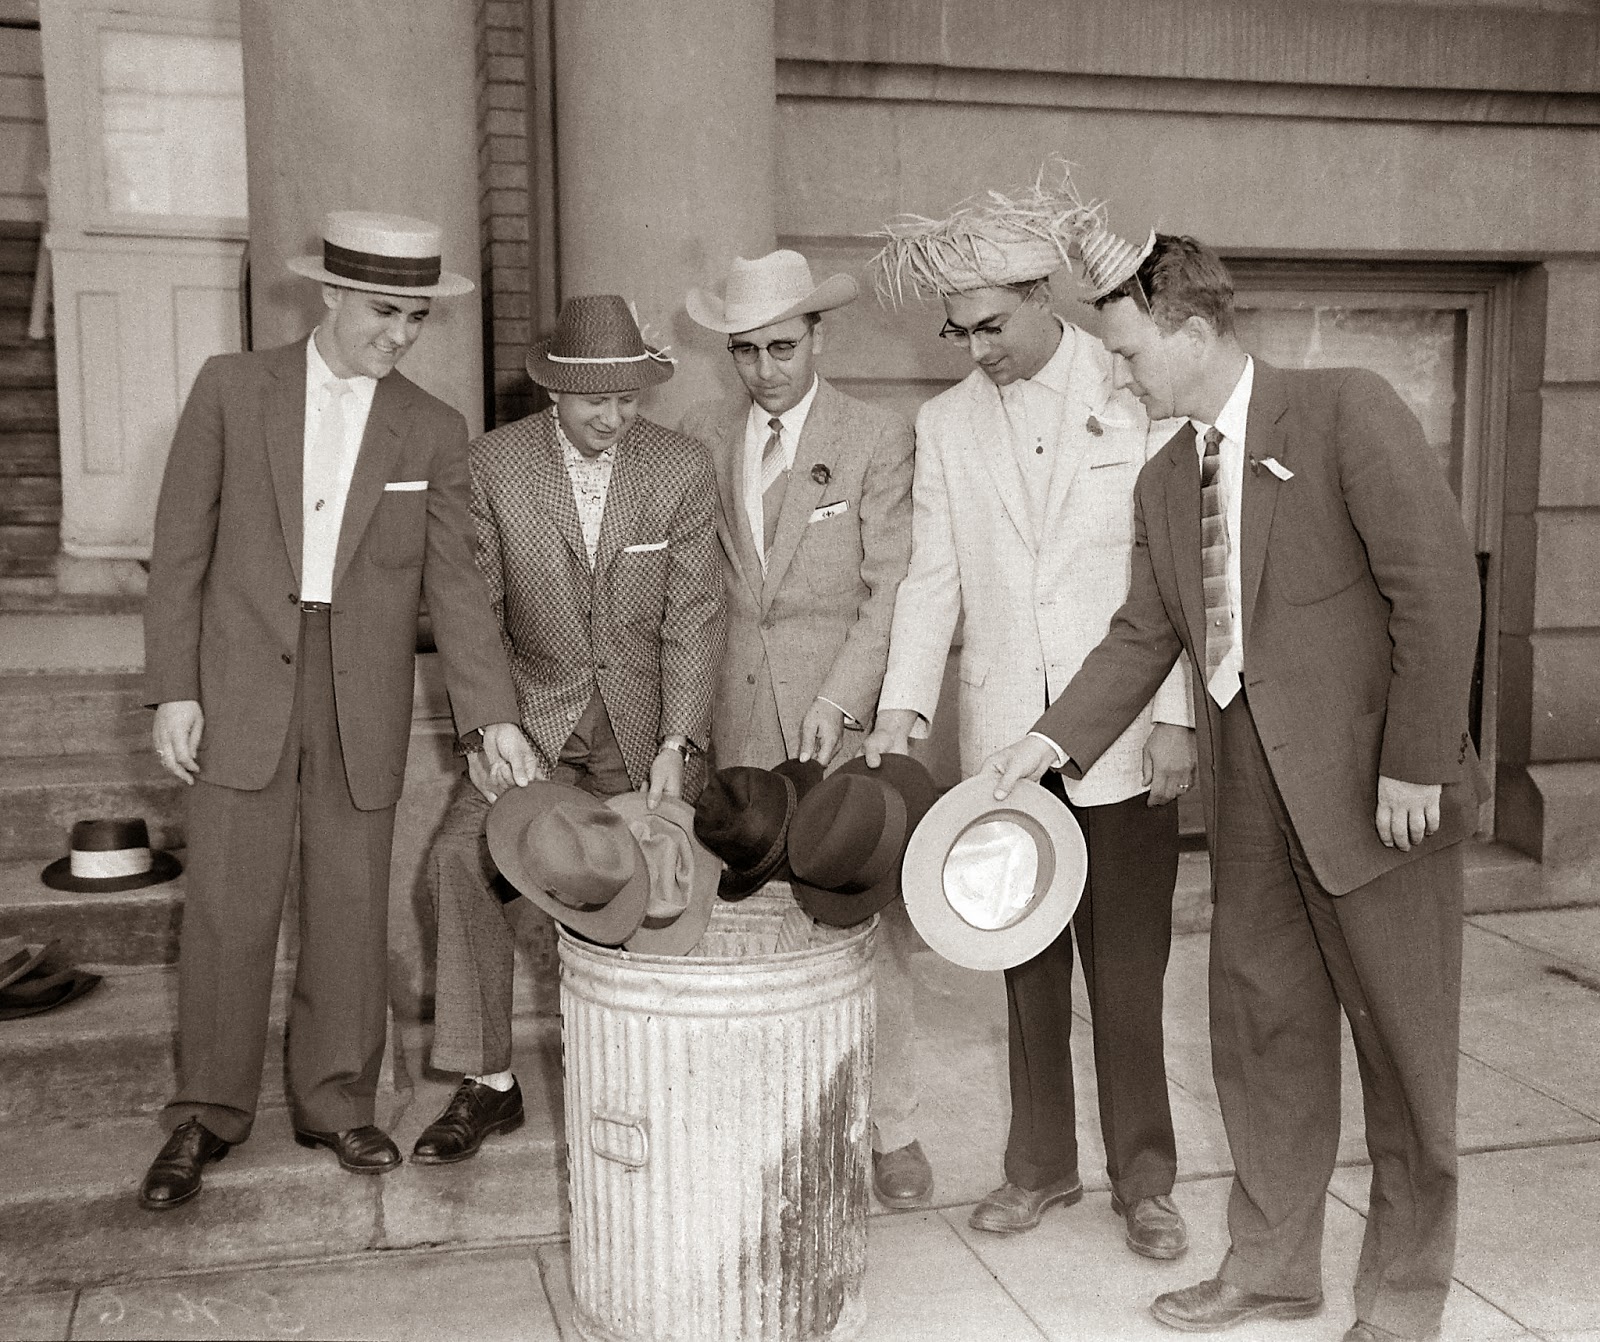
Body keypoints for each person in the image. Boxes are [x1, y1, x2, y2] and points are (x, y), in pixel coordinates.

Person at [984, 231, 1484, 1341]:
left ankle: (1402, 1301)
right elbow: (1141, 634)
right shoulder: (1168, 477)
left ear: (1192, 333)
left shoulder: (1346, 409)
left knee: (1404, 1057)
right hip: (1247, 797)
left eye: (1126, 353)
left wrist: (1414, 758)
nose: (1117, 375)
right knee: (1264, 1039)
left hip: (1374, 792)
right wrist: (1042, 743)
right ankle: (1271, 1266)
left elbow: (1437, 592)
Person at [140, 212, 535, 1208]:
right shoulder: (231, 389)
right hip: (239, 681)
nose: (398, 334)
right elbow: (180, 548)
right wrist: (174, 687)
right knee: (230, 901)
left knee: (351, 902)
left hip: (361, 689)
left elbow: (455, 591)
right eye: (382, 312)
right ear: (329, 297)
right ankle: (206, 1112)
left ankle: (336, 1100)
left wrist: (492, 720)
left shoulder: (436, 428)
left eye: (414, 316)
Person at [865, 175, 1194, 1259]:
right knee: (1026, 971)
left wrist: (1178, 717)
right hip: (1005, 743)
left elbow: (1182, 572)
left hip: (1128, 731)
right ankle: (1039, 1168)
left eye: (991, 326)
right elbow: (932, 577)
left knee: (1130, 972)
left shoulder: (1134, 381)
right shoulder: (945, 421)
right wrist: (903, 706)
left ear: (1043, 296)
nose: (976, 350)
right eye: (957, 332)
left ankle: (1145, 1180)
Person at [409, 293, 725, 1165]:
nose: (614, 420)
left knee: (649, 889)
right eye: (596, 403)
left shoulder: (681, 467)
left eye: (628, 401)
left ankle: (644, 1073)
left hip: (644, 732)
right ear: (554, 392)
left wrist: (680, 742)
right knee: (459, 861)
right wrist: (487, 726)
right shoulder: (492, 466)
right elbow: (472, 608)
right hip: (532, 729)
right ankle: (489, 1082)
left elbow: (695, 616)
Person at [681, 249, 929, 1207]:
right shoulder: (701, 432)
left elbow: (892, 585)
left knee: (866, 923)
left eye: (782, 346)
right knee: (746, 932)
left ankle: (891, 1129)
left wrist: (840, 700)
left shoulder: (875, 435)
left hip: (840, 724)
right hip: (731, 725)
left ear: (819, 336)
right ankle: (762, 1126)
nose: (764, 368)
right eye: (745, 351)